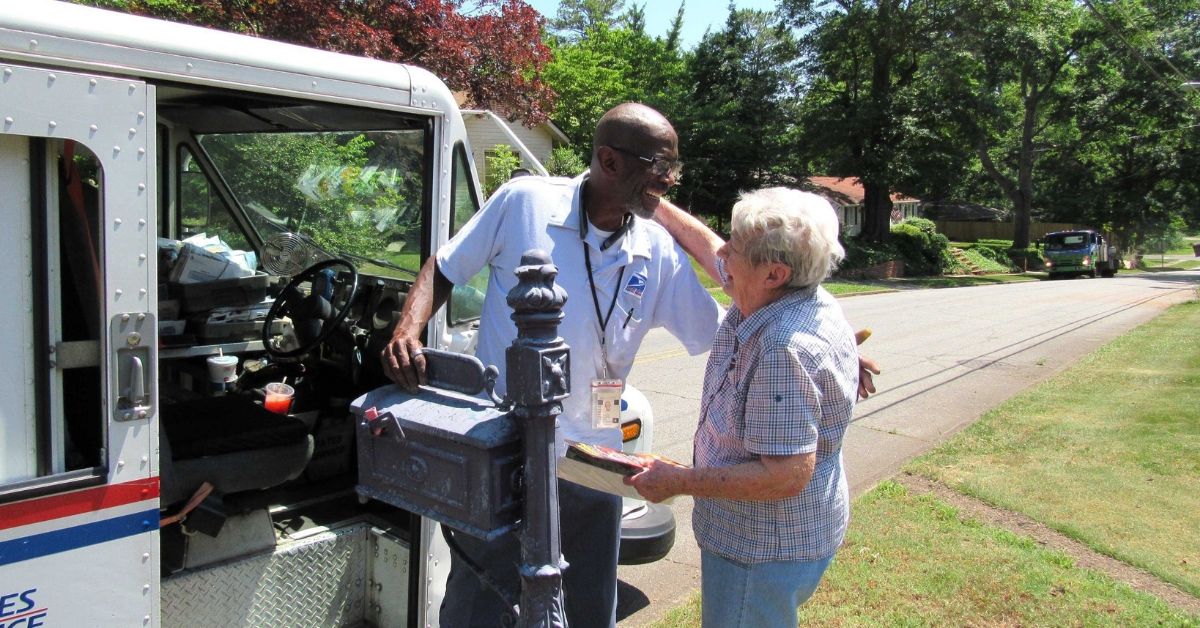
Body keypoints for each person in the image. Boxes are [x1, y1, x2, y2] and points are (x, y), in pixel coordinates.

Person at [381, 103, 722, 628]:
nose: (670, 179)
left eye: (675, 167)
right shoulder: (525, 202)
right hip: (502, 446)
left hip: (594, 454)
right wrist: (408, 328)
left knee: (587, 601)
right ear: (609, 161)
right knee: (481, 596)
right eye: (659, 165)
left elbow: (722, 333)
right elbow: (444, 267)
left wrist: (814, 337)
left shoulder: (656, 248)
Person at [627, 187, 860, 627]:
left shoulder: (782, 351)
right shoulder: (795, 294)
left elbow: (785, 474)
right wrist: (653, 204)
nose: (724, 254)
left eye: (735, 249)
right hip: (794, 537)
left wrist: (678, 480)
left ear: (773, 273)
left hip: (761, 552)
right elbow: (708, 249)